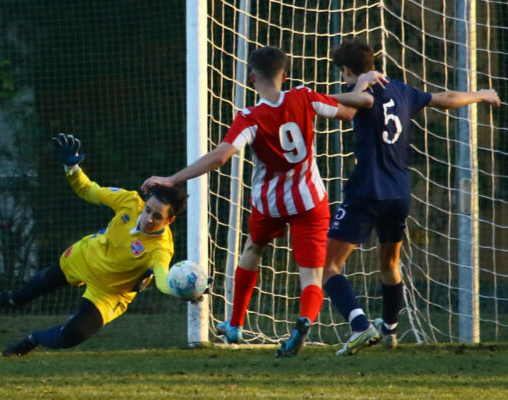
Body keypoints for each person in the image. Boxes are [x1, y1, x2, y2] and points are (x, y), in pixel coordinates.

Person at [141, 46, 378, 358]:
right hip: (309, 200)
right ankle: (305, 319)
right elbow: (349, 112)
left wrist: (173, 179)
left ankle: (235, 324)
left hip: (270, 204)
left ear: (252, 77)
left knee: (252, 249)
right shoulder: (304, 96)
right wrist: (361, 85)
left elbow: (221, 156)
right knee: (311, 274)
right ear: (286, 74)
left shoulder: (249, 117)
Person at [324, 38, 501, 356]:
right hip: (398, 193)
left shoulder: (359, 94)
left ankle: (360, 325)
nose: (342, 79)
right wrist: (481, 94)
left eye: (343, 73)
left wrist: (311, 96)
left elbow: (342, 109)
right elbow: (445, 99)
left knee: (329, 265)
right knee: (390, 264)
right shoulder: (401, 90)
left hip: (366, 191)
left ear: (349, 71)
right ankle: (390, 331)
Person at [0, 133, 192, 357]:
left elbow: (161, 280)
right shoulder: (129, 201)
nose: (148, 218)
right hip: (85, 257)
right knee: (29, 292)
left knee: (73, 336)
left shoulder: (161, 248)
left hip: (109, 292)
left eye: (157, 217)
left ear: (169, 220)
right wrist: (72, 168)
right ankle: (11, 299)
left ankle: (32, 339)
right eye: (148, 210)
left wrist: (180, 289)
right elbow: (88, 189)